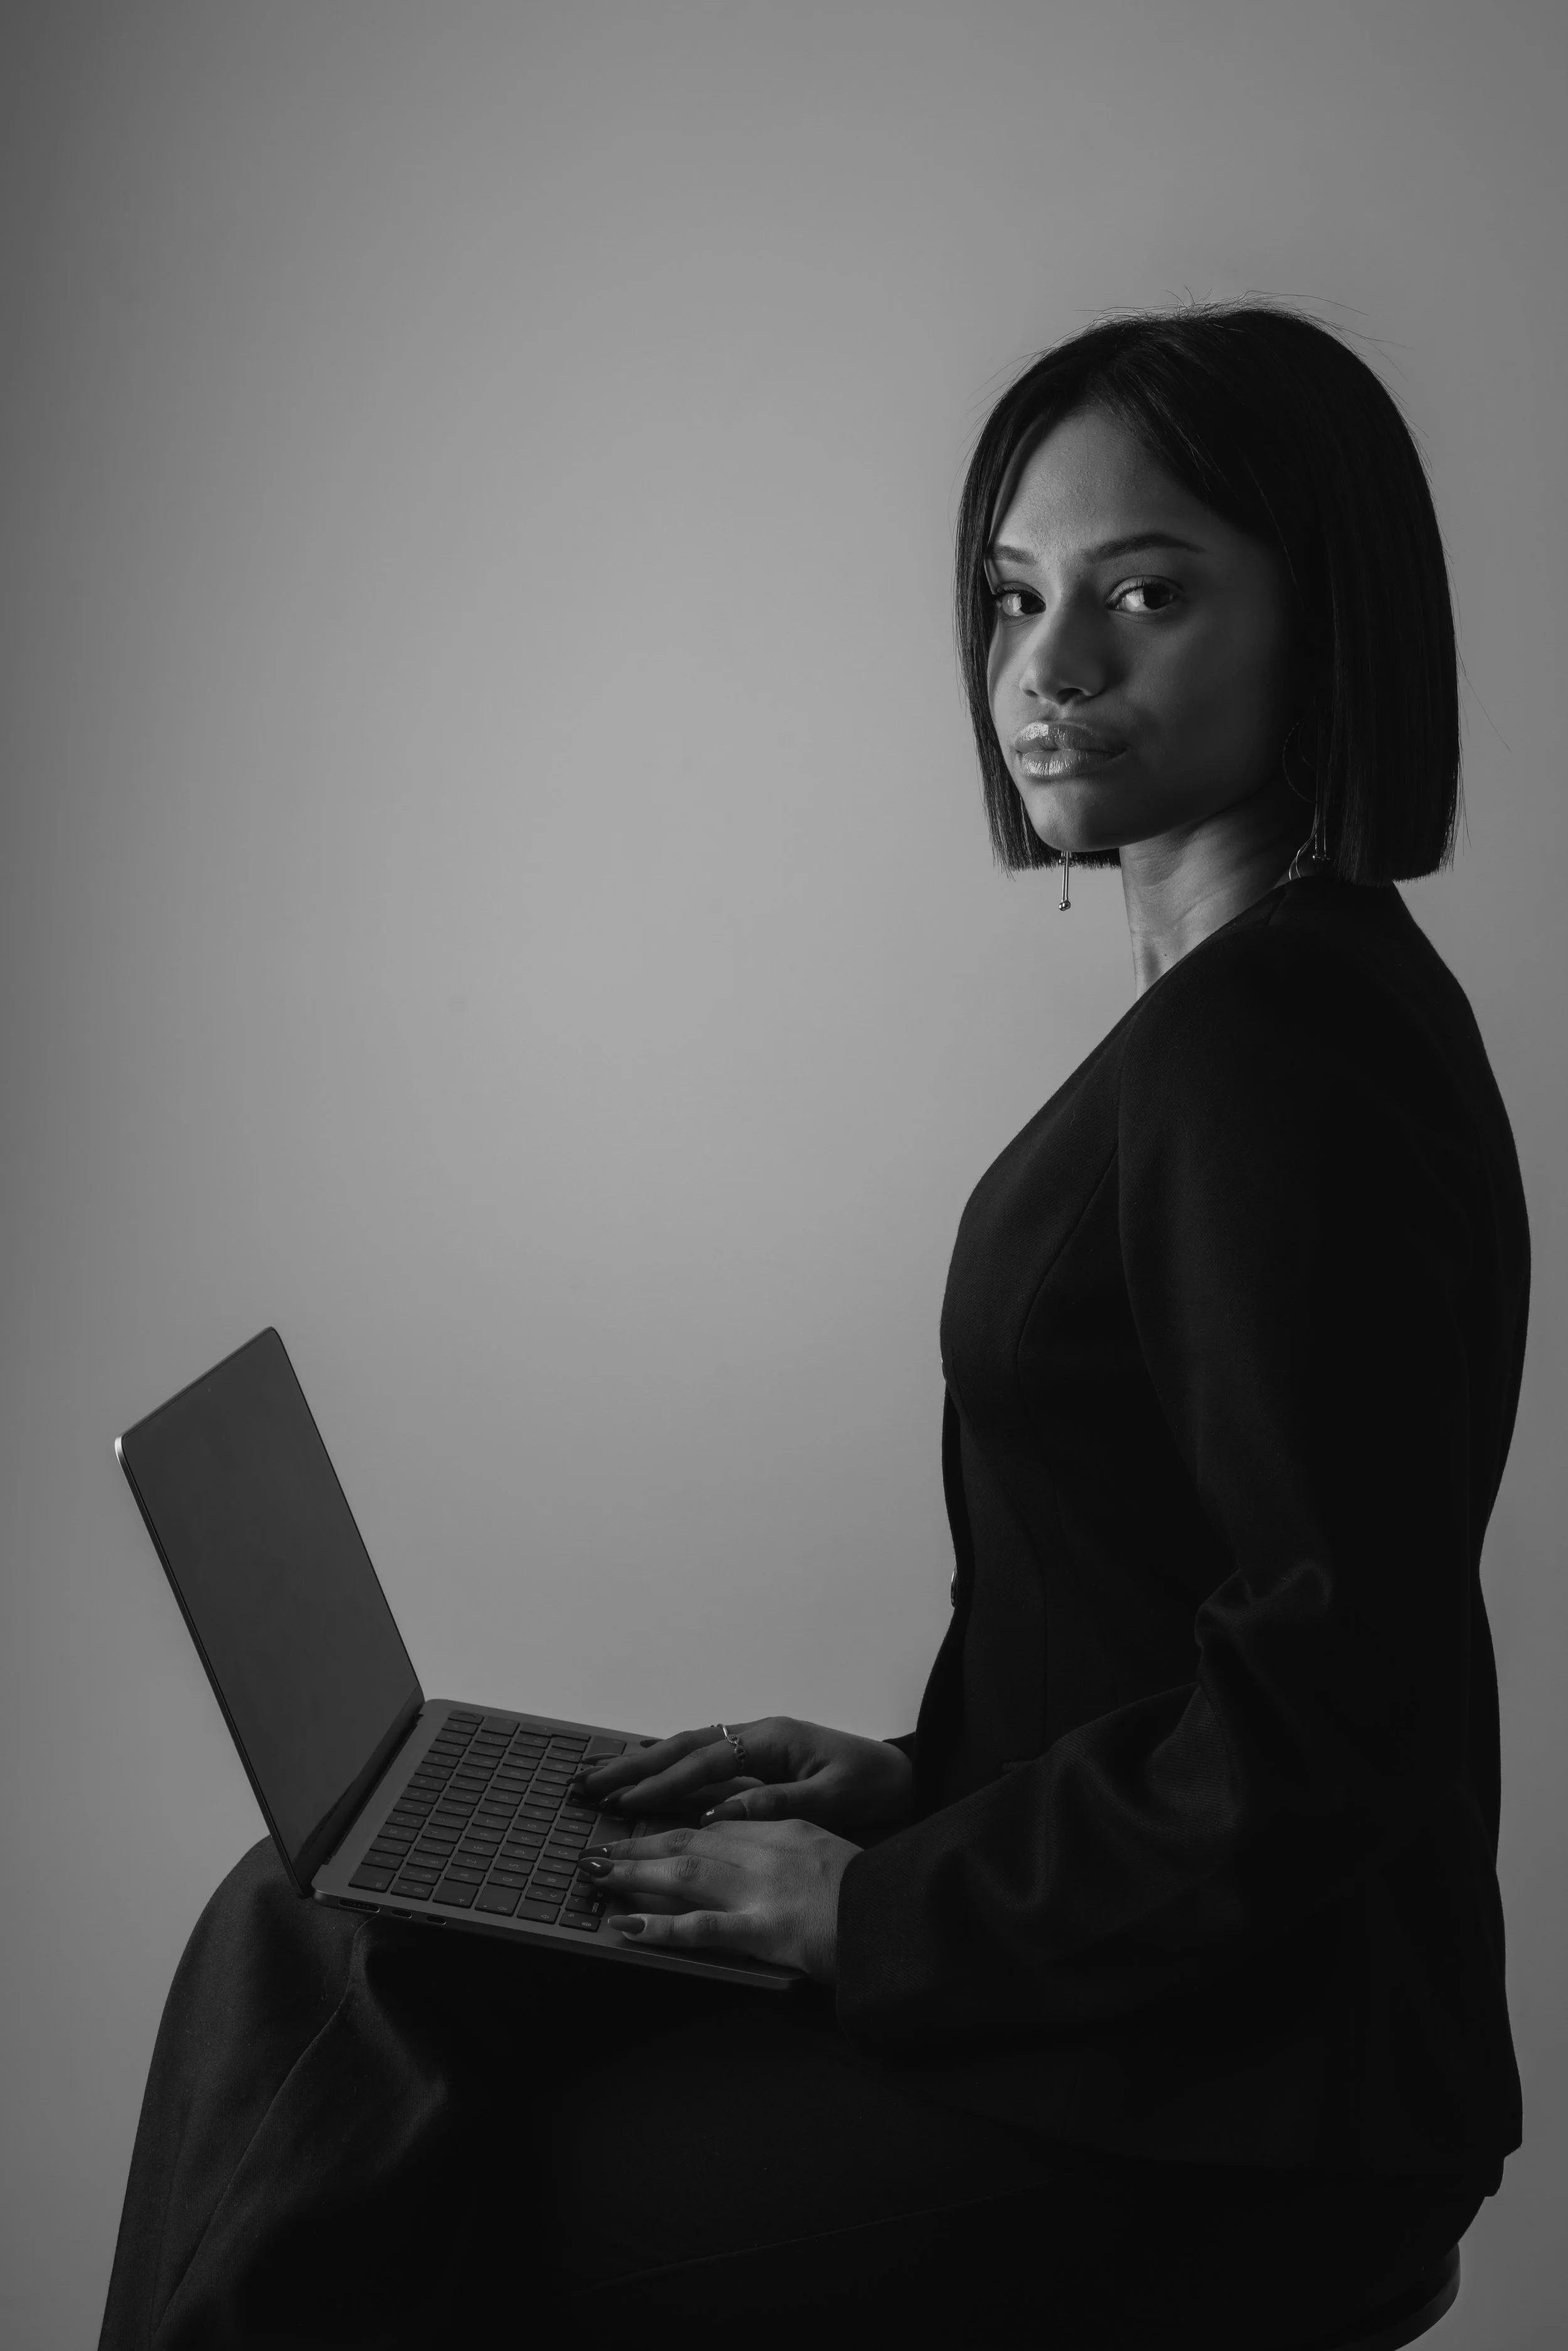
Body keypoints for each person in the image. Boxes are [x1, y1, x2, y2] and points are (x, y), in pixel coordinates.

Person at [98, 301, 1528, 2350]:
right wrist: (910, 1780)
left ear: (1332, 615)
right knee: (338, 1919)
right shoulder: (1282, 1006)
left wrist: (882, 1905)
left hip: (1231, 2106)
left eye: (1144, 592)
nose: (1046, 670)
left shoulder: (1276, 1050)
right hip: (1164, 1998)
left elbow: (1328, 1698)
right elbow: (1194, 1603)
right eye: (1012, 596)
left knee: (391, 2117)